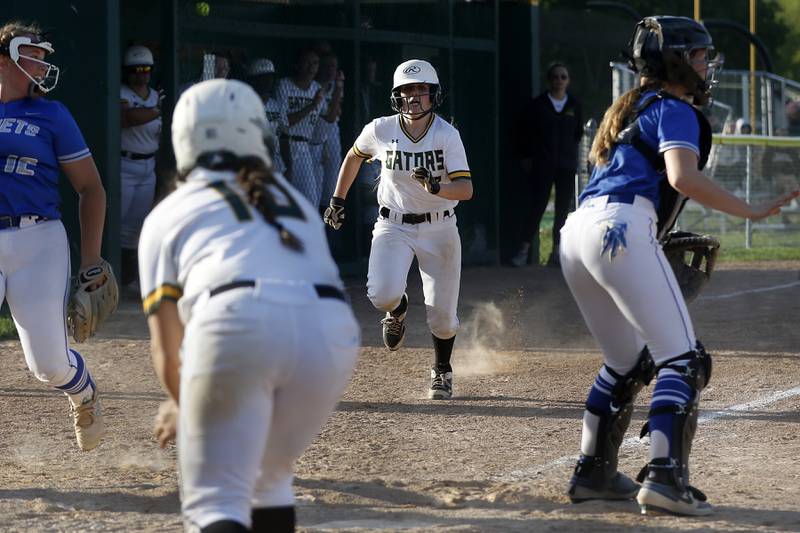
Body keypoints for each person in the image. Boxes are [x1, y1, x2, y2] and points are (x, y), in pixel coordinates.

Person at [560, 16, 799, 516]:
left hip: (575, 234)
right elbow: (682, 177)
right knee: (683, 359)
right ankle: (666, 478)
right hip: (621, 229)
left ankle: (593, 473)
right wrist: (752, 210)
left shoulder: (627, 110)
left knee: (626, 363)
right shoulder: (674, 108)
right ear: (674, 63)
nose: (705, 66)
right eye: (697, 56)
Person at [139, 79, 359, 533]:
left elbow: (166, 350)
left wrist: (188, 405)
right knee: (268, 481)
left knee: (217, 500)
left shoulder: (169, 212)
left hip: (236, 321)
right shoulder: (294, 200)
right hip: (330, 334)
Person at [323, 59, 473, 399]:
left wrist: (436, 188)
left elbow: (465, 190)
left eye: (422, 89)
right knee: (381, 294)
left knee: (443, 317)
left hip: (440, 228)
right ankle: (398, 308)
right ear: (396, 96)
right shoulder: (381, 128)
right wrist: (337, 199)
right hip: (393, 224)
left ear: (434, 94)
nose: (414, 96)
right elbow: (354, 155)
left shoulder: (447, 135)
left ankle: (442, 370)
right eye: (407, 90)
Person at [0, 22, 108, 451]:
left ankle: (82, 393)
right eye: (35, 55)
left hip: (38, 240)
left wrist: (92, 260)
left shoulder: (51, 115)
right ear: (5, 59)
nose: (44, 64)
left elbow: (91, 188)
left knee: (48, 365)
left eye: (46, 57)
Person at [511, 62, 583, 268]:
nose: (559, 81)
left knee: (563, 211)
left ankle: (558, 253)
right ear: (549, 80)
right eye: (556, 77)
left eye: (563, 77)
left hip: (567, 166)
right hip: (543, 165)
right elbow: (524, 135)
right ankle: (523, 251)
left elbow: (577, 134)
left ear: (568, 81)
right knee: (537, 207)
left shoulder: (575, 106)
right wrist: (526, 158)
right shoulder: (538, 105)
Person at [120, 45, 162, 288]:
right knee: (119, 223)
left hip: (148, 166)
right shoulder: (122, 91)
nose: (141, 74)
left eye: (146, 69)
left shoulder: (155, 95)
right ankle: (115, 276)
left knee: (137, 227)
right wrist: (157, 110)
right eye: (136, 70)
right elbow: (129, 119)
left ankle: (131, 278)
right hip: (125, 164)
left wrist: (153, 109)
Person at [276, 48, 324, 206]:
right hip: (285, 144)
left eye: (315, 63)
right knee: (285, 200)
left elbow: (329, 117)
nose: (312, 67)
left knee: (311, 201)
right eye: (307, 63)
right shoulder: (284, 85)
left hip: (305, 148)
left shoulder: (317, 88)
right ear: (297, 65)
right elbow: (285, 121)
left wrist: (338, 88)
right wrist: (312, 105)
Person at [247, 57, 290, 176]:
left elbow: (284, 137)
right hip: (253, 159)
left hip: (275, 161)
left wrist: (289, 164)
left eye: (270, 78)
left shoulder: (277, 106)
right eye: (263, 78)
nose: (267, 82)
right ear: (253, 80)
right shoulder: (245, 104)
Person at [312, 51, 345, 208]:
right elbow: (329, 114)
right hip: (313, 134)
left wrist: (338, 88)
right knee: (314, 188)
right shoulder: (314, 86)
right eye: (327, 66)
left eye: (334, 66)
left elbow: (337, 112)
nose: (331, 70)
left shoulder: (334, 86)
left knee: (332, 183)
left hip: (331, 132)